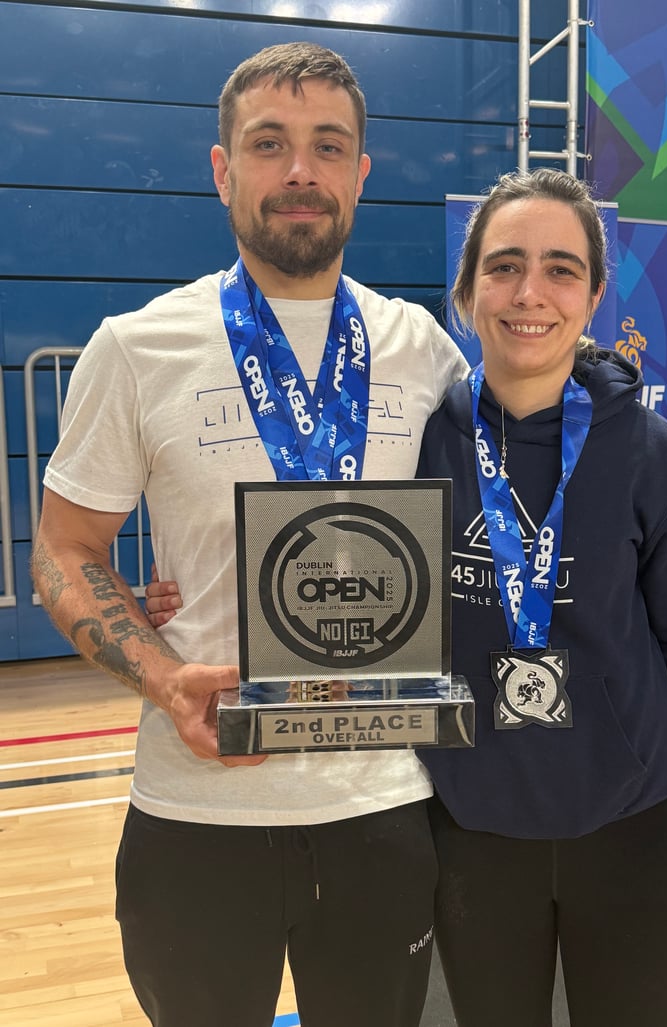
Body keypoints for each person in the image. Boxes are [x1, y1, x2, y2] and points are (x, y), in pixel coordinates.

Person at [30, 42, 470, 1027]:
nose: (300, 170)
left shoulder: (423, 350)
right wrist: (157, 672)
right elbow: (64, 549)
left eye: (327, 146)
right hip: (199, 803)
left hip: (383, 801)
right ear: (223, 169)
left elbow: (500, 521)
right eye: (269, 144)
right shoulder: (136, 348)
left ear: (361, 174)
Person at [413, 168, 667, 1027]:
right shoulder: (421, 441)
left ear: (594, 296)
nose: (531, 292)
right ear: (467, 289)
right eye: (504, 265)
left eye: (562, 268)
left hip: (629, 823)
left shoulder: (648, 449)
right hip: (472, 827)